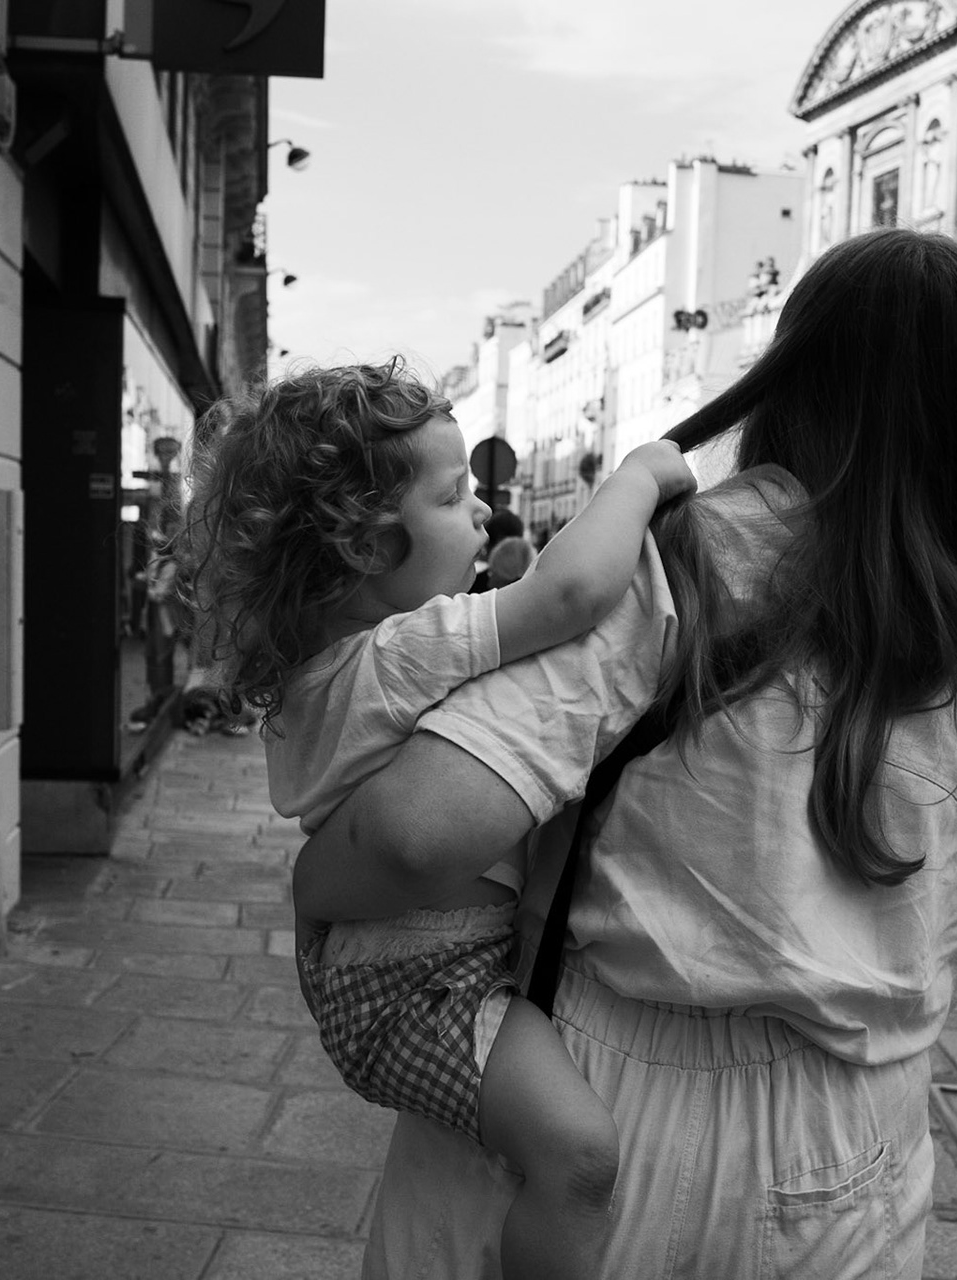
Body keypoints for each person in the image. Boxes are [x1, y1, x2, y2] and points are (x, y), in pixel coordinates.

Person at [295, 230, 957, 1278]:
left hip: (610, 1104)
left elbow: (412, 832)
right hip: (861, 1143)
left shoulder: (683, 558)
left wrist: (316, 877)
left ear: (791, 375)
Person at [174, 358, 696, 1280]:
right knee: (579, 1159)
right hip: (421, 985)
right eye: (455, 498)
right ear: (372, 549)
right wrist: (642, 476)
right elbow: (570, 598)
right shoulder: (401, 654)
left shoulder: (328, 667)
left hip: (386, 974)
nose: (485, 512)